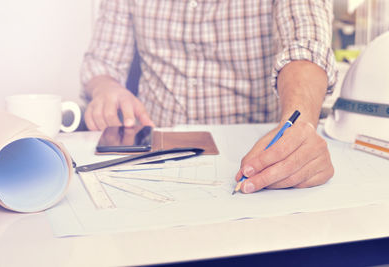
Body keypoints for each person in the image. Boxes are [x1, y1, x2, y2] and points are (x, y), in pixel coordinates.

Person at [81, 0, 337, 194]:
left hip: (253, 152)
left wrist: (299, 129)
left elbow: (307, 45)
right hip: (153, 156)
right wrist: (106, 88)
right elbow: (102, 62)